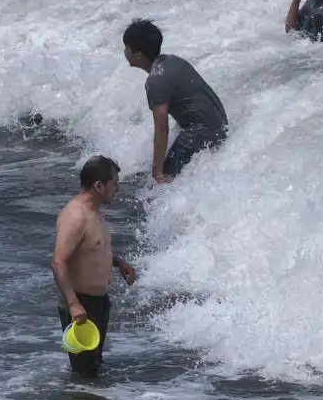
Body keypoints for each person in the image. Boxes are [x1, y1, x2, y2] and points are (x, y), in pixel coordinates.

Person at [50, 156, 136, 377]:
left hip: (97, 303)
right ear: (99, 186)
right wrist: (74, 304)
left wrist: (117, 262)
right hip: (81, 304)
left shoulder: (94, 214)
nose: (117, 188)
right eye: (114, 183)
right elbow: (58, 262)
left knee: (94, 368)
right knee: (84, 376)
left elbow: (91, 248)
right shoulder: (76, 215)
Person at [122, 20, 229, 183]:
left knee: (165, 177)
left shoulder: (155, 81)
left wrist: (157, 172)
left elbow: (162, 129)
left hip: (201, 130)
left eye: (126, 47)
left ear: (138, 55)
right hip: (219, 123)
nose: (124, 52)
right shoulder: (172, 60)